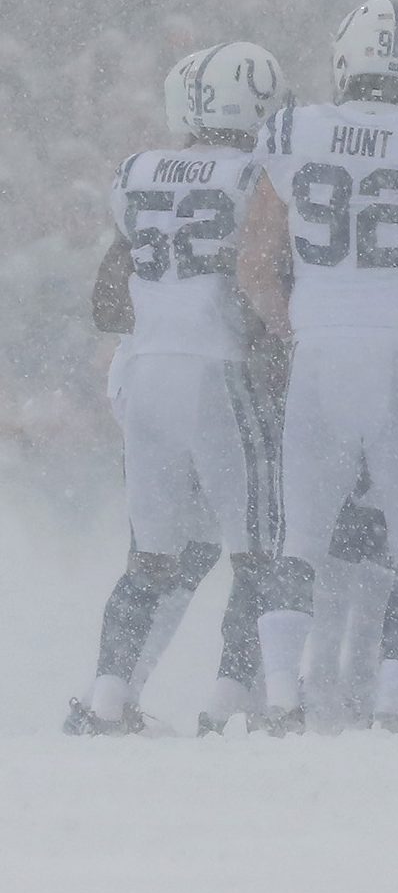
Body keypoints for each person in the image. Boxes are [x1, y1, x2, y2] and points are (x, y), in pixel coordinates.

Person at [238, 0, 398, 734]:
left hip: (320, 347)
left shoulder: (294, 131)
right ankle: (389, 706)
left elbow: (255, 265)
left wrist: (294, 329)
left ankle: (283, 699)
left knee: (300, 539)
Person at [66, 43, 290, 735]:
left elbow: (107, 300)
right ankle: (227, 703)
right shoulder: (260, 171)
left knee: (152, 554)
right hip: (214, 364)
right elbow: (266, 276)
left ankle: (106, 697)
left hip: (142, 371)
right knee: (260, 549)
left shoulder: (135, 172)